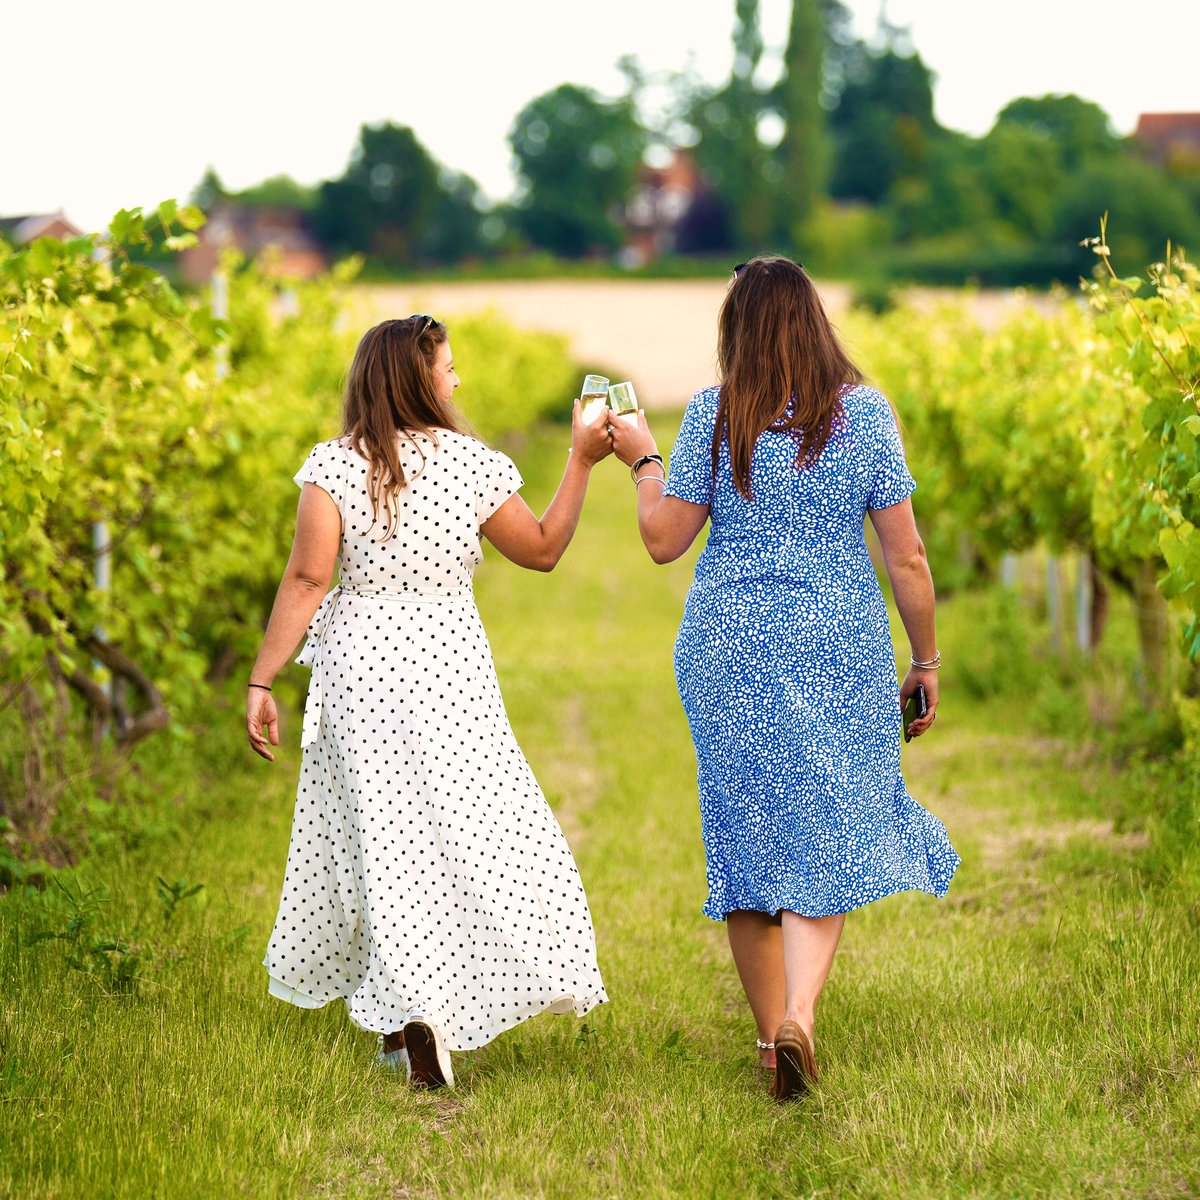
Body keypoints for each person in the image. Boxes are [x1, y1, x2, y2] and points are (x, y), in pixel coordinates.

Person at [608, 256, 959, 1103]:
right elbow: (905, 555)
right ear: (815, 321)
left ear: (737, 330)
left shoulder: (713, 414)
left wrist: (643, 461)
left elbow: (663, 540)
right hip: (839, 645)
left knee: (747, 837)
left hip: (728, 648)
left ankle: (771, 1043)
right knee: (825, 831)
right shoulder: (866, 415)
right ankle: (801, 1013)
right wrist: (925, 660)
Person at [246, 314, 611, 1088]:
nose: (456, 379)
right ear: (418, 378)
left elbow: (309, 580)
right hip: (448, 664)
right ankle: (424, 1009)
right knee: (466, 828)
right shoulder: (472, 465)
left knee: (381, 837)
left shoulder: (332, 467)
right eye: (447, 367)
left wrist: (261, 679)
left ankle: (409, 1010)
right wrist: (579, 461)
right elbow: (542, 549)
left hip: (358, 668)